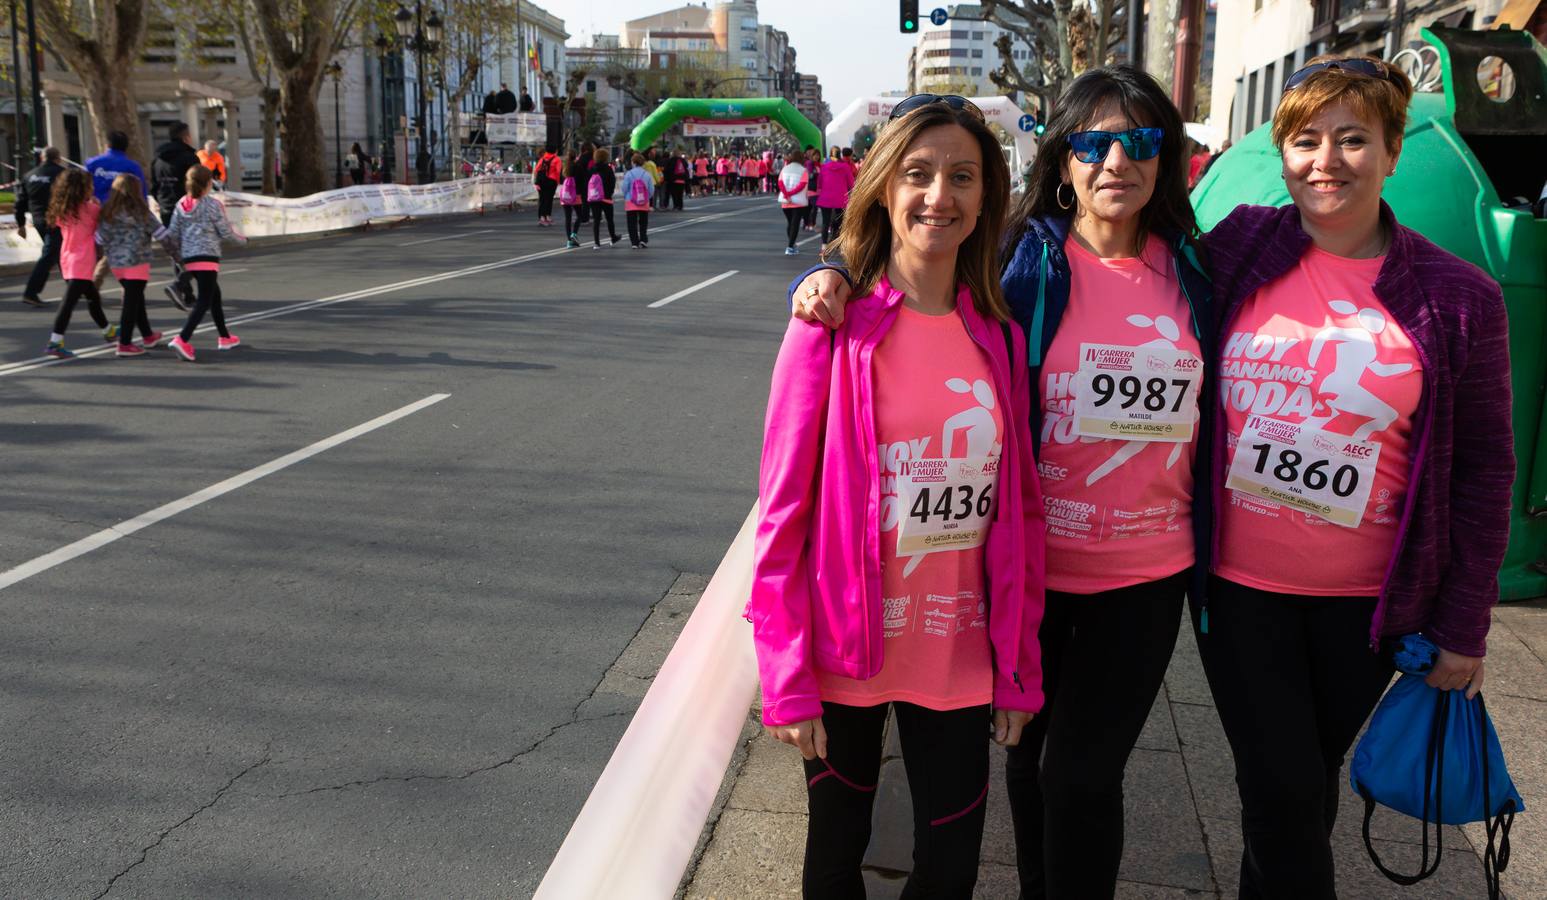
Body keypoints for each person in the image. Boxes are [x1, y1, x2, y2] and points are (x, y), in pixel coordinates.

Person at [788, 72, 1218, 899]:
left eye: (1140, 141)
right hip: (1023, 573)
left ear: (1170, 158)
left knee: (1080, 777)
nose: (1115, 160)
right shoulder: (1028, 261)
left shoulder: (1201, 267)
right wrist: (833, 268)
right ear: (1062, 161)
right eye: (1092, 142)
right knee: (1025, 769)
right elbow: (924, 237)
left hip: (1143, 572)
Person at [1198, 56, 1513, 900]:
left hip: (1370, 605)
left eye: (1351, 139)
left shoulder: (1460, 298)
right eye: (1305, 140)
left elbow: (1485, 468)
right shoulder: (1234, 248)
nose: (1326, 160)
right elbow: (1103, 259)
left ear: (1392, 150)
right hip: (1238, 590)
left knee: (1296, 790)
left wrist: (1463, 624)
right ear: (1281, 152)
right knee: (1284, 789)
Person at [750, 94, 1044, 898]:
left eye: (961, 176)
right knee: (834, 865)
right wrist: (785, 678)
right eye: (917, 174)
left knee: (948, 873)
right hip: (846, 654)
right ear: (883, 185)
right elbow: (781, 514)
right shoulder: (830, 327)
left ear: (987, 196)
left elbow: (1015, 514)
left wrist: (1018, 668)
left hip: (956, 651)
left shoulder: (1000, 335)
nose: (937, 196)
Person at [164, 165, 248, 362]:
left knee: (214, 296)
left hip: (189, 257)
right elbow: (225, 232)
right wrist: (243, 241)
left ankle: (225, 337)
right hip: (208, 256)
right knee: (203, 301)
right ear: (209, 183)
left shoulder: (181, 204)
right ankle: (182, 338)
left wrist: (177, 257)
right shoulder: (212, 205)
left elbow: (173, 234)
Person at [41, 168, 111, 358]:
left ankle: (108, 329)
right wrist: (96, 203)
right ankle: (55, 341)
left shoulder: (62, 209)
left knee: (93, 297)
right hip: (83, 259)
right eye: (89, 186)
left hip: (67, 257)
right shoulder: (91, 209)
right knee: (68, 303)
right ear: (82, 189)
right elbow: (104, 222)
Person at [96, 174, 165, 357]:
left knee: (136, 298)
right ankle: (125, 343)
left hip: (117, 263)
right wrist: (178, 255)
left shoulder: (107, 212)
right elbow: (161, 233)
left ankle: (148, 335)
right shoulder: (141, 212)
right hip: (138, 261)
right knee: (131, 302)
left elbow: (100, 238)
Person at [152, 122, 203, 309]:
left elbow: (155, 185)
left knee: (176, 251)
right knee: (198, 250)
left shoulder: (157, 159)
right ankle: (180, 285)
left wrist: (162, 201)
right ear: (185, 137)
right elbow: (198, 185)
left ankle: (186, 292)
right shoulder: (189, 157)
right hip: (188, 208)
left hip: (166, 208)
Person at [15, 146, 66, 308]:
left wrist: (21, 224)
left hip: (38, 220)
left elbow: (20, 202)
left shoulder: (29, 175)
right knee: (51, 253)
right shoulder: (62, 173)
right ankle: (31, 291)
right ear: (58, 158)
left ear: (42, 158)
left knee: (59, 251)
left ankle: (77, 286)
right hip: (57, 219)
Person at [85, 130, 148, 204]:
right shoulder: (134, 167)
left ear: (108, 144)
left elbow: (83, 189)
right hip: (124, 211)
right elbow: (142, 193)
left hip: (96, 210)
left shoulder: (92, 163)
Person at [815, 146, 855, 251]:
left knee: (825, 222)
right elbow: (851, 183)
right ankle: (838, 244)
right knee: (840, 222)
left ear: (830, 154)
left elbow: (819, 183)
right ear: (839, 154)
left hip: (825, 198)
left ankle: (823, 246)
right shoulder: (845, 167)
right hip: (841, 198)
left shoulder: (824, 167)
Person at [586, 147, 620, 249]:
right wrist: (610, 193)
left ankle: (596, 243)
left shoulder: (591, 169)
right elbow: (612, 182)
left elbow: (587, 183)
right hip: (606, 197)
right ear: (605, 157)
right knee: (610, 219)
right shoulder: (608, 168)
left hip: (594, 198)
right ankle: (613, 237)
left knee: (596, 220)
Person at [775, 154, 809, 255]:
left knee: (790, 223)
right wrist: (791, 194)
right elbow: (802, 185)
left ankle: (792, 244)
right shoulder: (803, 170)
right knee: (795, 224)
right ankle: (790, 246)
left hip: (785, 201)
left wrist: (786, 194)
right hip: (798, 201)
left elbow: (780, 182)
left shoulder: (785, 169)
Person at [621, 153, 654, 249]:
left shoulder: (629, 174)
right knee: (643, 222)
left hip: (631, 201)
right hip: (644, 202)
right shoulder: (647, 174)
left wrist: (627, 196)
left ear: (633, 162)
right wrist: (647, 198)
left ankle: (634, 242)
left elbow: (624, 188)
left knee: (632, 223)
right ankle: (643, 239)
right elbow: (651, 189)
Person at [559, 153, 587, 249]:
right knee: (579, 216)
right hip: (576, 195)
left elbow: (560, 180)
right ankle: (574, 233)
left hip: (565, 194)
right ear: (575, 157)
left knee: (568, 217)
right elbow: (583, 181)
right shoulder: (578, 167)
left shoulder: (564, 167)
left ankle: (569, 241)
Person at [534, 145, 562, 227]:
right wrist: (557, 181)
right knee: (549, 199)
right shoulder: (557, 159)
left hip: (541, 181)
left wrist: (537, 181)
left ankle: (542, 218)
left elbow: (536, 170)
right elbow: (558, 172)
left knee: (542, 199)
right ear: (555, 151)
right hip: (551, 182)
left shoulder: (542, 159)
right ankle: (548, 217)